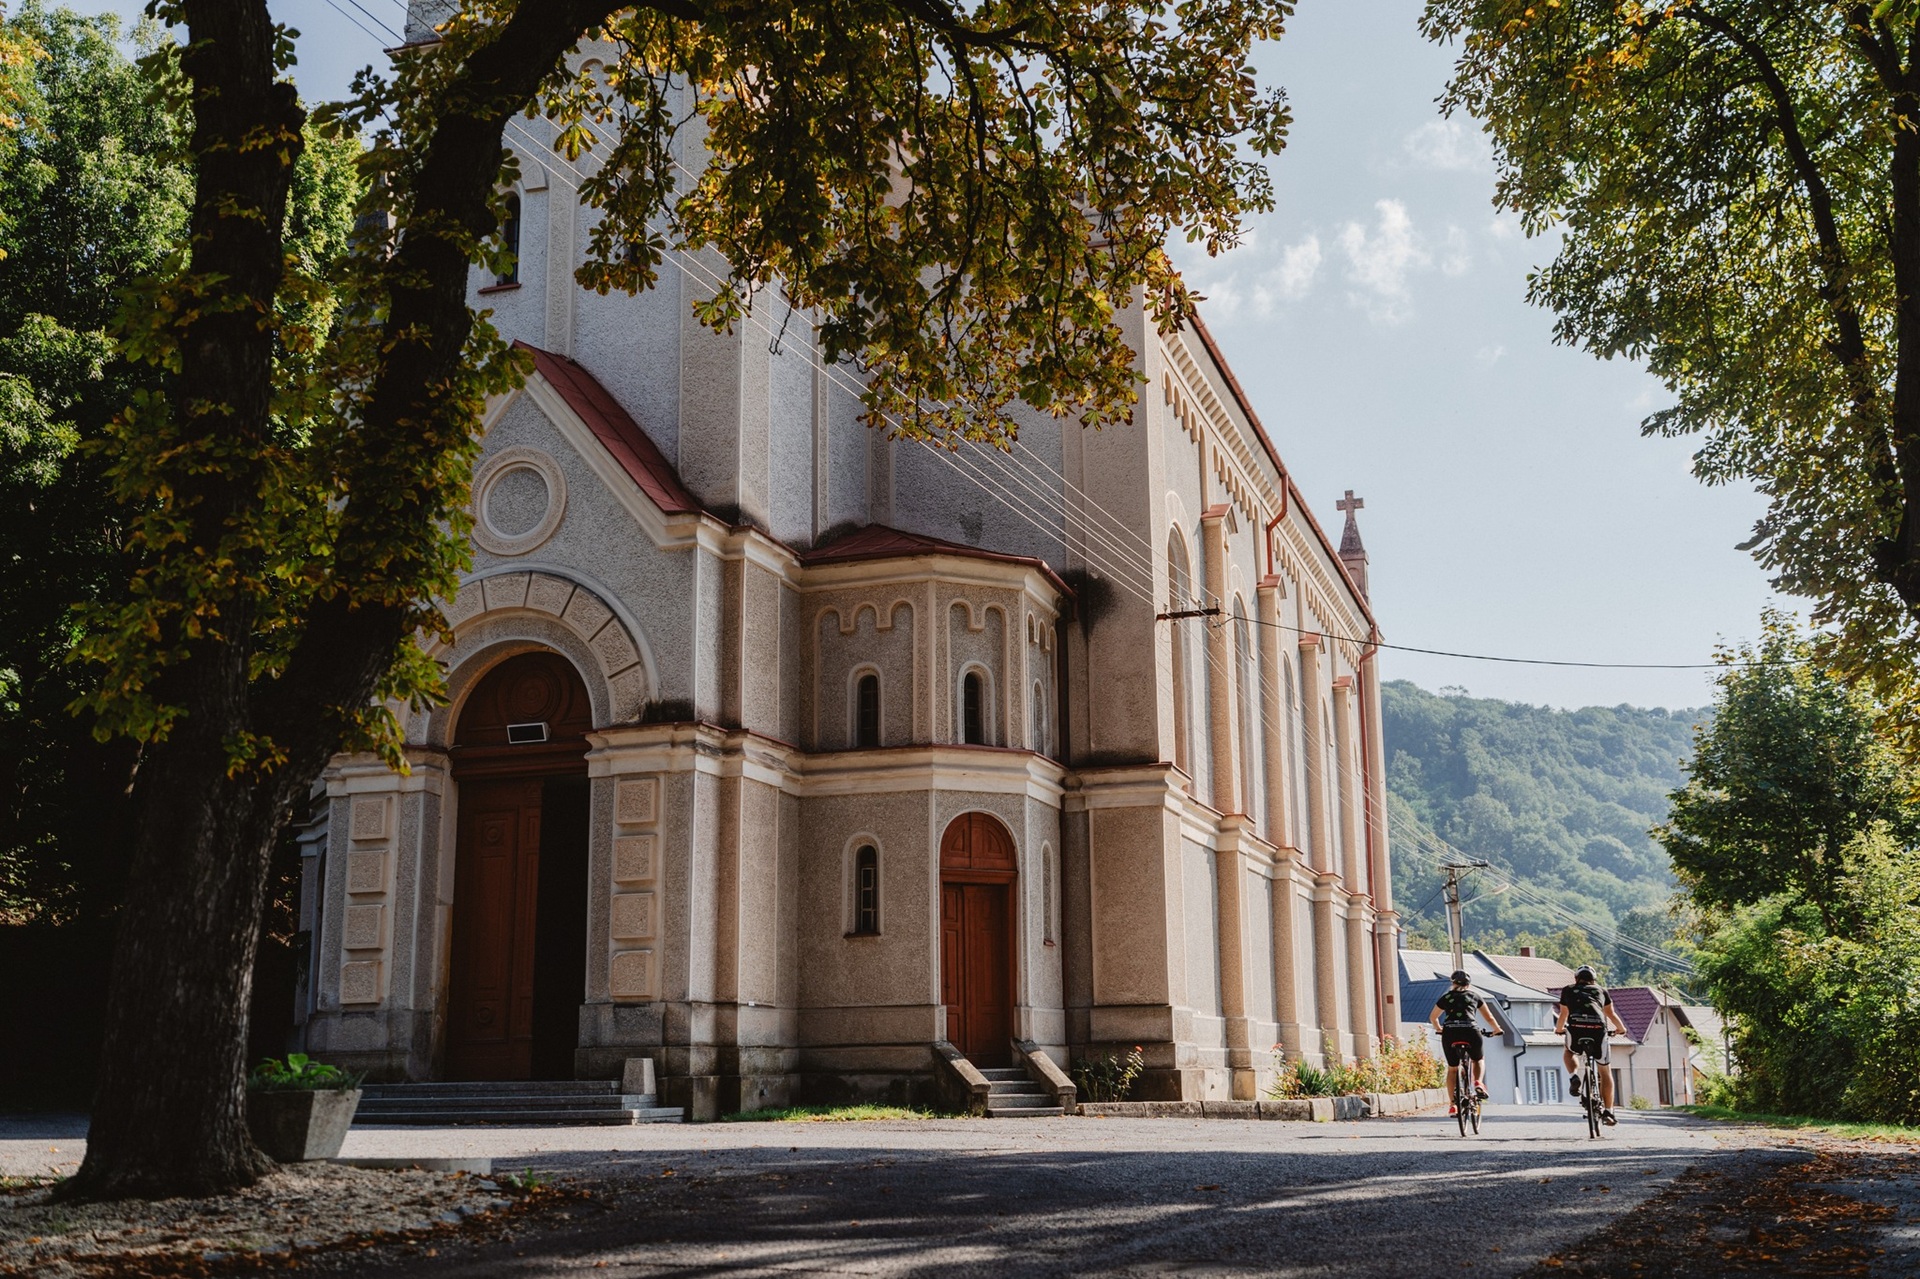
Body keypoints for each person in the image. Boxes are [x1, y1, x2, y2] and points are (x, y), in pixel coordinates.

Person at [1555, 965, 1630, 1126]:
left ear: (1576, 978)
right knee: (1605, 1071)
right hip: (1598, 1031)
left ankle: (1574, 1077)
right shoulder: (1601, 991)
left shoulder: (1568, 990)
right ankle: (1608, 1112)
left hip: (1576, 1029)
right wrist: (1621, 1029)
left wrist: (1559, 1029)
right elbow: (1610, 1014)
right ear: (1594, 980)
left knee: (1569, 1051)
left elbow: (1563, 1014)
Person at [1430, 968, 1501, 1113]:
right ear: (1468, 984)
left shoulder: (1446, 997)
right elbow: (1489, 1017)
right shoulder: (1475, 996)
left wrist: (1439, 1028)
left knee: (1452, 1069)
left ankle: (1453, 1105)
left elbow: (1433, 1017)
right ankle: (1478, 1082)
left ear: (1453, 983)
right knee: (1478, 1059)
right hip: (1471, 1031)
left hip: (1450, 1033)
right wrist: (1497, 1029)